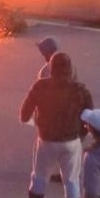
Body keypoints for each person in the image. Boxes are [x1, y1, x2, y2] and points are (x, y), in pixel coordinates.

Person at [12, 52, 92, 198]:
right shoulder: (80, 90)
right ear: (70, 69)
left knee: (39, 175)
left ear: (51, 68)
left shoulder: (41, 86)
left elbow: (24, 115)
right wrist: (81, 135)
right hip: (71, 141)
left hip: (46, 140)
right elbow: (89, 117)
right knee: (71, 179)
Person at [36, 37, 67, 183]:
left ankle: (42, 176)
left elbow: (41, 95)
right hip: (69, 110)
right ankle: (68, 171)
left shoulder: (46, 71)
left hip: (53, 114)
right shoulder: (67, 64)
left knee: (49, 146)